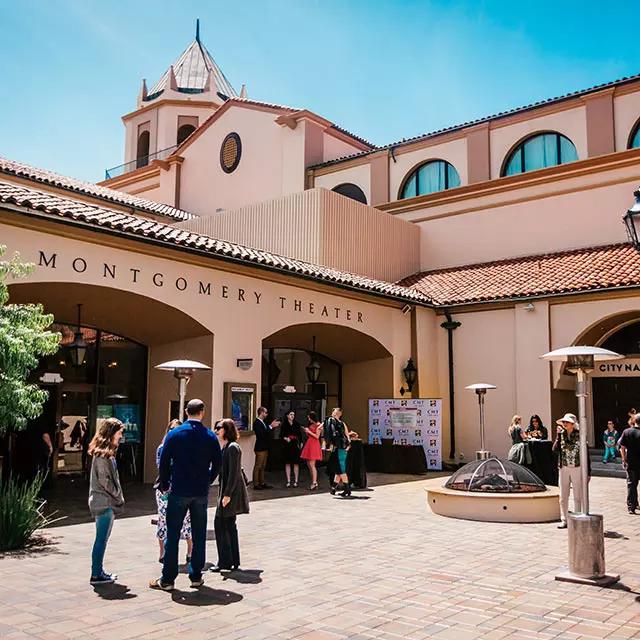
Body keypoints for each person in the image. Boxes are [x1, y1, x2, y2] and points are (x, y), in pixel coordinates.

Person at [150, 399, 222, 591]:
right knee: (198, 534)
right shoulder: (209, 436)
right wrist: (208, 480)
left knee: (172, 534)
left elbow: (164, 462)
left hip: (179, 489)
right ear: (203, 412)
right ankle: (196, 575)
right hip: (199, 491)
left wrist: (165, 484)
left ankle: (168, 578)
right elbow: (218, 463)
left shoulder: (174, 434)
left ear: (185, 412)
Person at [88, 418, 125, 586]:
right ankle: (96, 574)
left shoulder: (105, 452)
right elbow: (105, 480)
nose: (120, 436)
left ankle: (99, 571)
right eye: (119, 432)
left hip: (104, 501)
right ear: (111, 432)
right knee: (101, 539)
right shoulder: (103, 454)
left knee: (102, 539)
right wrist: (117, 493)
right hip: (104, 502)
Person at [210, 419, 250, 572]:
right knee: (228, 525)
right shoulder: (226, 447)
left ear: (226, 429)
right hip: (228, 492)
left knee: (221, 524)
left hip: (230, 493)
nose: (216, 430)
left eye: (218, 428)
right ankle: (232, 560)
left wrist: (227, 495)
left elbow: (233, 473)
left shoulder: (232, 448)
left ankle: (225, 562)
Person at [155, 419, 192, 564]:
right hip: (165, 489)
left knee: (186, 521)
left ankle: (190, 551)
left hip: (182, 489)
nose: (173, 432)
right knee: (163, 520)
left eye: (177, 429)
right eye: (171, 429)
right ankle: (163, 552)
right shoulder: (162, 447)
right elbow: (161, 467)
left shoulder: (187, 448)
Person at [552, 413, 590, 529]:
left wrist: (588, 471)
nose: (564, 424)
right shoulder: (561, 435)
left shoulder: (580, 436)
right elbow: (555, 449)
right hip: (564, 467)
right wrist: (558, 436)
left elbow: (586, 454)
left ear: (573, 424)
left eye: (566, 422)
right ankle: (564, 519)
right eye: (563, 422)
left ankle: (577, 517)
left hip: (577, 467)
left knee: (578, 494)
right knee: (563, 495)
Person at [326, 408, 351, 497]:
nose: (333, 412)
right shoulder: (338, 423)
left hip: (340, 448)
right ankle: (333, 488)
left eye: (334, 411)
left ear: (338, 413)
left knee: (341, 469)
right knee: (338, 469)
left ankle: (347, 489)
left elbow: (347, 435)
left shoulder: (337, 423)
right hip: (340, 448)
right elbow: (347, 436)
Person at [252, 407, 279, 490]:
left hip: (265, 446)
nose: (267, 414)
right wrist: (270, 426)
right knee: (258, 466)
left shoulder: (262, 422)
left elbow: (265, 431)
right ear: (261, 413)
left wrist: (270, 426)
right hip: (260, 447)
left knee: (263, 466)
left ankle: (262, 482)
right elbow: (261, 434)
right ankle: (256, 483)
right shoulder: (257, 422)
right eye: (266, 412)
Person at [618, 413, 640, 514]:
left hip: (631, 462)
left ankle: (632, 506)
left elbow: (622, 447)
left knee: (631, 484)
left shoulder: (627, 432)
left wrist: (623, 459)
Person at [301, 412, 323, 490]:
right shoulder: (311, 425)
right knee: (309, 464)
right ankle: (313, 481)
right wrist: (307, 432)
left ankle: (314, 482)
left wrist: (309, 431)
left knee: (312, 464)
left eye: (309, 418)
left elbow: (317, 436)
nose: (309, 419)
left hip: (314, 444)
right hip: (309, 443)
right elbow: (310, 435)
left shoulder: (318, 425)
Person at [281, 410, 302, 487]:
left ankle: (296, 480)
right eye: (291, 414)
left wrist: (301, 443)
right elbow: (281, 435)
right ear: (287, 416)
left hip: (295, 444)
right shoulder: (284, 425)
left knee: (296, 463)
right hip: (287, 445)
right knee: (288, 463)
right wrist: (286, 438)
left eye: (293, 414)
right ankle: (288, 481)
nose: (292, 416)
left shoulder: (297, 424)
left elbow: (299, 435)